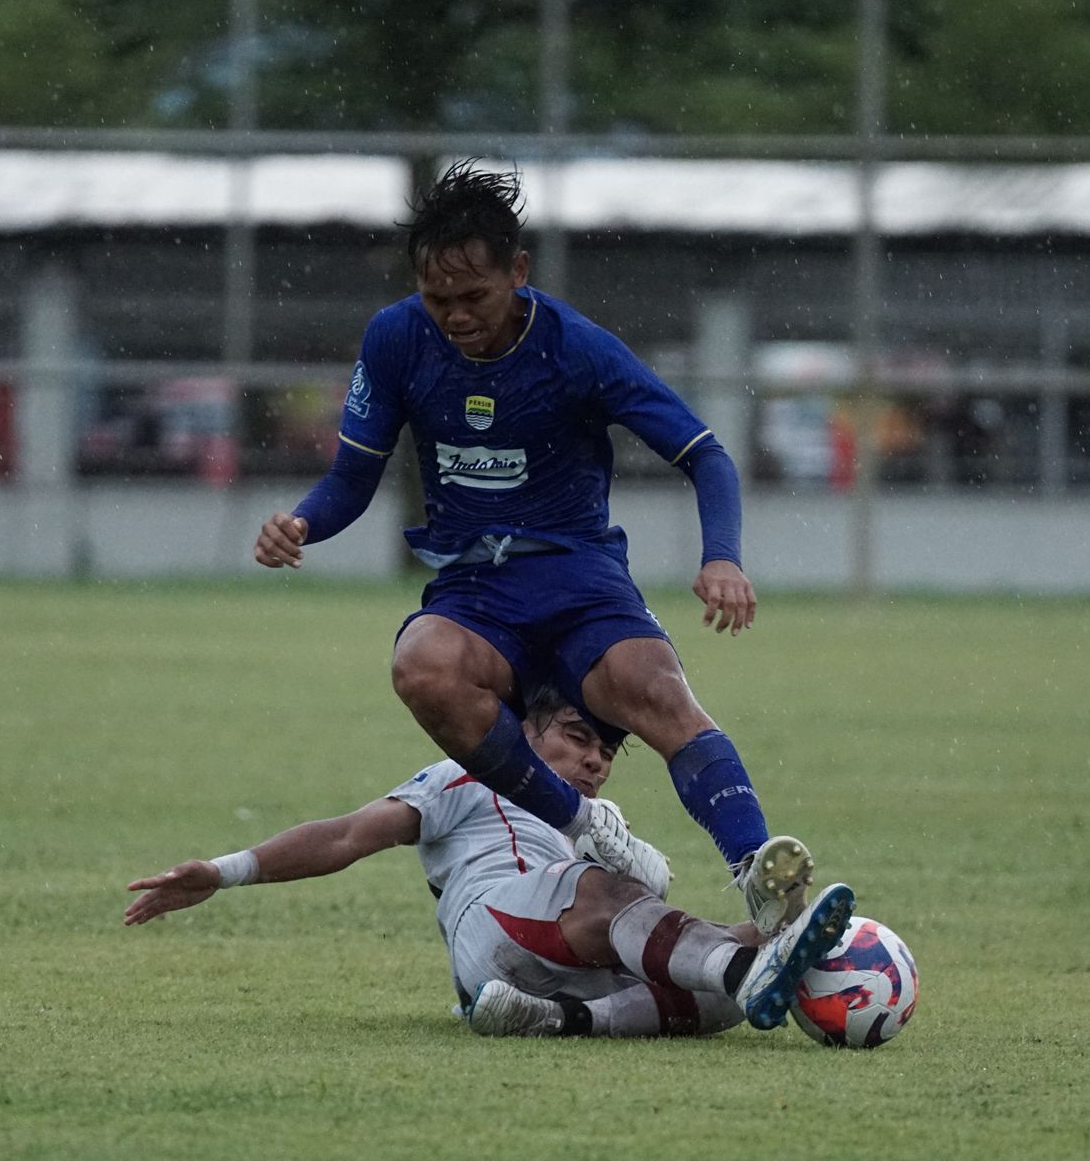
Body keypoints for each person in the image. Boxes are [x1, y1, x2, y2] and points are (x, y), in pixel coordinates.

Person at [253, 161, 816, 935]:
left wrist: (722, 555)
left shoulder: (576, 349)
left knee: (658, 691)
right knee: (421, 666)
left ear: (517, 272)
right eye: (436, 298)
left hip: (579, 576)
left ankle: (762, 881)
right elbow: (353, 478)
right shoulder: (395, 339)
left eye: (472, 296)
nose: (453, 316)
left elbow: (706, 454)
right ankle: (586, 828)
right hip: (476, 589)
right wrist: (304, 523)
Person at [123, 686, 857, 1039]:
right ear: (526, 732)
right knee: (613, 891)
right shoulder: (466, 775)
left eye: (606, 752)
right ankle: (744, 969)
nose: (594, 759)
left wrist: (746, 934)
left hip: (564, 957)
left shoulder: (596, 824)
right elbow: (349, 835)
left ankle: (563, 1020)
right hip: (496, 928)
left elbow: (646, 908)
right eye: (576, 738)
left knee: (728, 965)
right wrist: (224, 871)